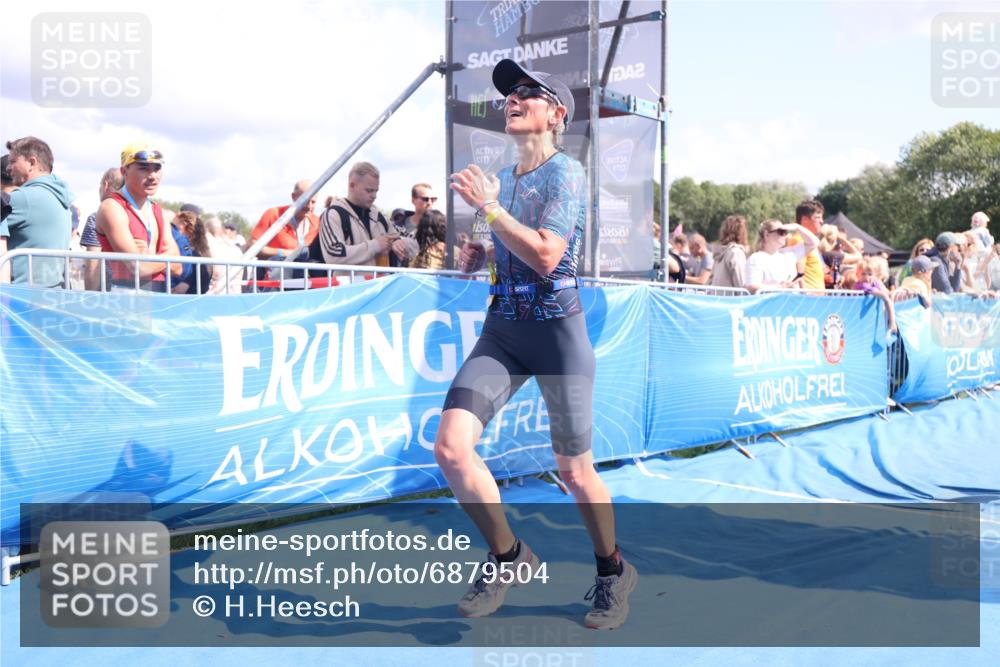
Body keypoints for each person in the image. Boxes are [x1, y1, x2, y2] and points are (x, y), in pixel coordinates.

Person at [439, 59, 637, 631]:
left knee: (574, 471)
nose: (513, 98)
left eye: (528, 92)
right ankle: (509, 557)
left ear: (555, 114)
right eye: (509, 92)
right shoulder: (504, 178)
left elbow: (548, 256)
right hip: (503, 330)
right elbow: (490, 244)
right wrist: (474, 252)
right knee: (452, 449)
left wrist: (489, 210)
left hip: (556, 335)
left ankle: (612, 570)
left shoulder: (566, 173)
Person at [95, 142, 182, 292]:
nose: (152, 176)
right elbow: (138, 268)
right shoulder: (112, 207)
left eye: (157, 168)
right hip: (121, 296)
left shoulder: (157, 210)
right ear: (124, 171)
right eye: (143, 168)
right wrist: (166, 258)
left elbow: (178, 267)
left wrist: (149, 257)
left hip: (157, 296)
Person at [0, 137, 74, 287]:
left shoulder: (24, 198)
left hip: (20, 299)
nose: (8, 168)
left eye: (13, 161)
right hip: (49, 295)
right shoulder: (61, 197)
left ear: (31, 163)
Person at [315, 162, 412, 267]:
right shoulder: (333, 215)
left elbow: (409, 240)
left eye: (376, 191)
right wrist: (375, 246)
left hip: (380, 283)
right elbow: (334, 255)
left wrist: (398, 242)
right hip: (350, 283)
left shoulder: (380, 217)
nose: (374, 196)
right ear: (352, 185)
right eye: (369, 190)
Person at [249, 180, 320, 265]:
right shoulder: (274, 215)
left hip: (305, 276)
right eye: (306, 201)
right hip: (275, 275)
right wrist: (283, 253)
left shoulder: (318, 222)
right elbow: (251, 247)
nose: (309, 206)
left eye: (313, 202)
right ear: (294, 197)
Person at [744, 219, 819, 294]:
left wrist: (797, 227)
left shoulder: (789, 253)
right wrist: (780, 287)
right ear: (766, 234)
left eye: (786, 232)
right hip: (771, 303)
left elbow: (814, 243)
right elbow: (751, 286)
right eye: (781, 232)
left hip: (791, 302)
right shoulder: (756, 259)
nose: (785, 235)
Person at [79, 168, 124, 290]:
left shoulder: (97, 217)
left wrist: (90, 298)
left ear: (105, 185)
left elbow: (93, 265)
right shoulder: (140, 216)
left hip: (107, 294)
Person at [786, 200, 826, 290]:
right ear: (805, 219)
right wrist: (805, 296)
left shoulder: (809, 242)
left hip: (816, 298)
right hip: (809, 299)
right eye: (818, 218)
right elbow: (799, 274)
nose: (822, 221)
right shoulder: (799, 240)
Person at [853, 255, 897, 332]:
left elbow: (888, 293)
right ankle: (892, 323)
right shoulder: (861, 285)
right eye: (863, 274)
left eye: (870, 274)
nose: (867, 277)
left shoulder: (874, 282)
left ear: (874, 275)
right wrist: (892, 322)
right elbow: (884, 295)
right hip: (860, 318)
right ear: (857, 274)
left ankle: (892, 323)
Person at [710, 215, 748, 288]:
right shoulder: (736, 253)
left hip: (718, 297)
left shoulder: (720, 253)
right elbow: (740, 282)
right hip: (731, 298)